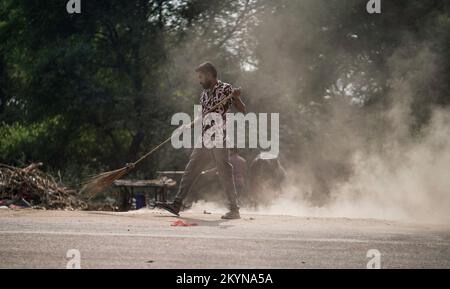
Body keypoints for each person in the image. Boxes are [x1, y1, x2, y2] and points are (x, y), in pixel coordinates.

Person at [157, 62, 246, 219]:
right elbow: (202, 116)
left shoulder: (226, 89)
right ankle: (176, 204)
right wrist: (188, 125)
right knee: (191, 169)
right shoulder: (204, 94)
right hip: (205, 138)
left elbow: (242, 109)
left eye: (201, 77)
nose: (199, 80)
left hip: (219, 137)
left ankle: (234, 209)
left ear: (210, 75)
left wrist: (237, 98)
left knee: (224, 172)